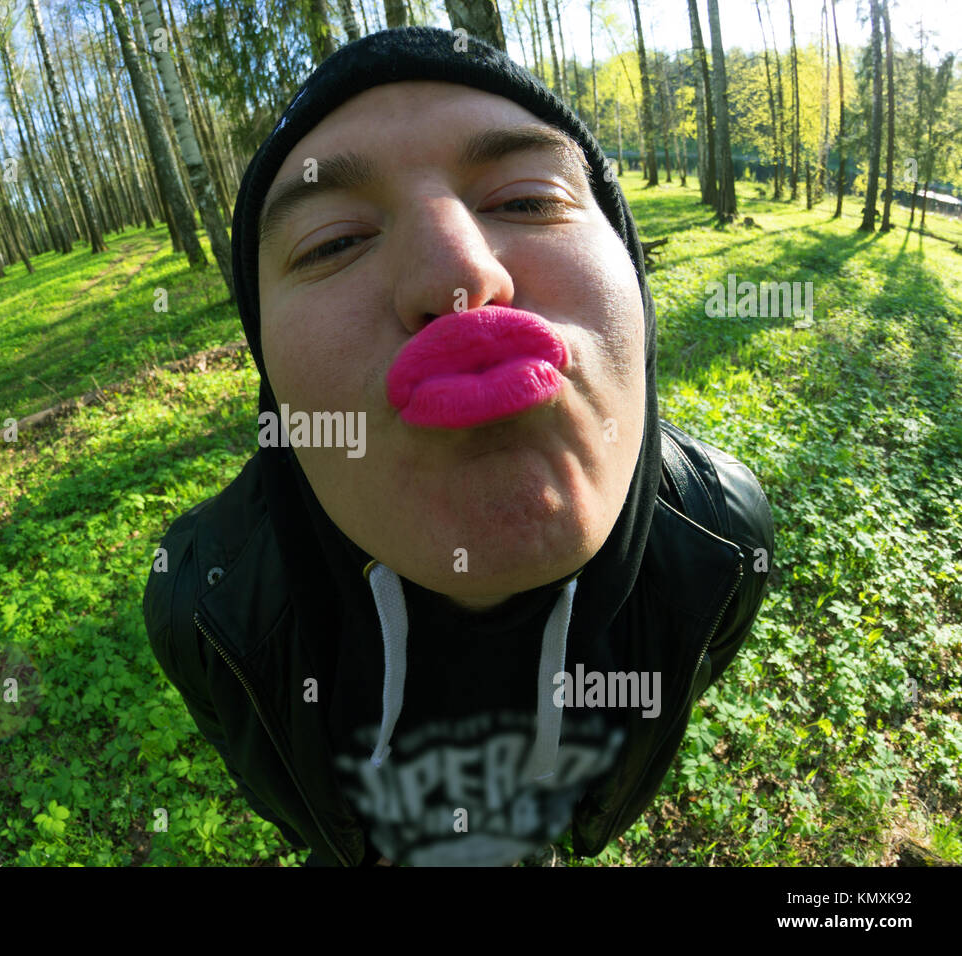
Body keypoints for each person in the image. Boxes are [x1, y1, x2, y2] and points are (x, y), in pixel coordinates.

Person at [143, 25, 774, 867]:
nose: (459, 277)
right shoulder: (200, 605)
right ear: (271, 375)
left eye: (525, 199)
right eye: (334, 242)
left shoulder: (725, 537)